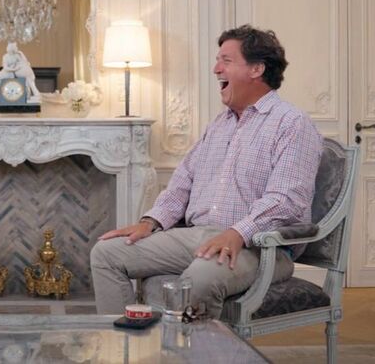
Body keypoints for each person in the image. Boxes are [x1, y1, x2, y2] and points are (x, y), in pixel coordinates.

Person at [90, 25, 323, 318]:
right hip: (198, 235)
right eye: (217, 60)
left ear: (257, 69)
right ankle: (123, 343)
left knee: (198, 280)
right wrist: (150, 221)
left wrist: (238, 232)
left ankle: (195, 346)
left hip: (261, 248)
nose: (216, 69)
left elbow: (287, 200)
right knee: (106, 253)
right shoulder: (219, 124)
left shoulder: (292, 123)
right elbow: (182, 182)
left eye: (226, 60)